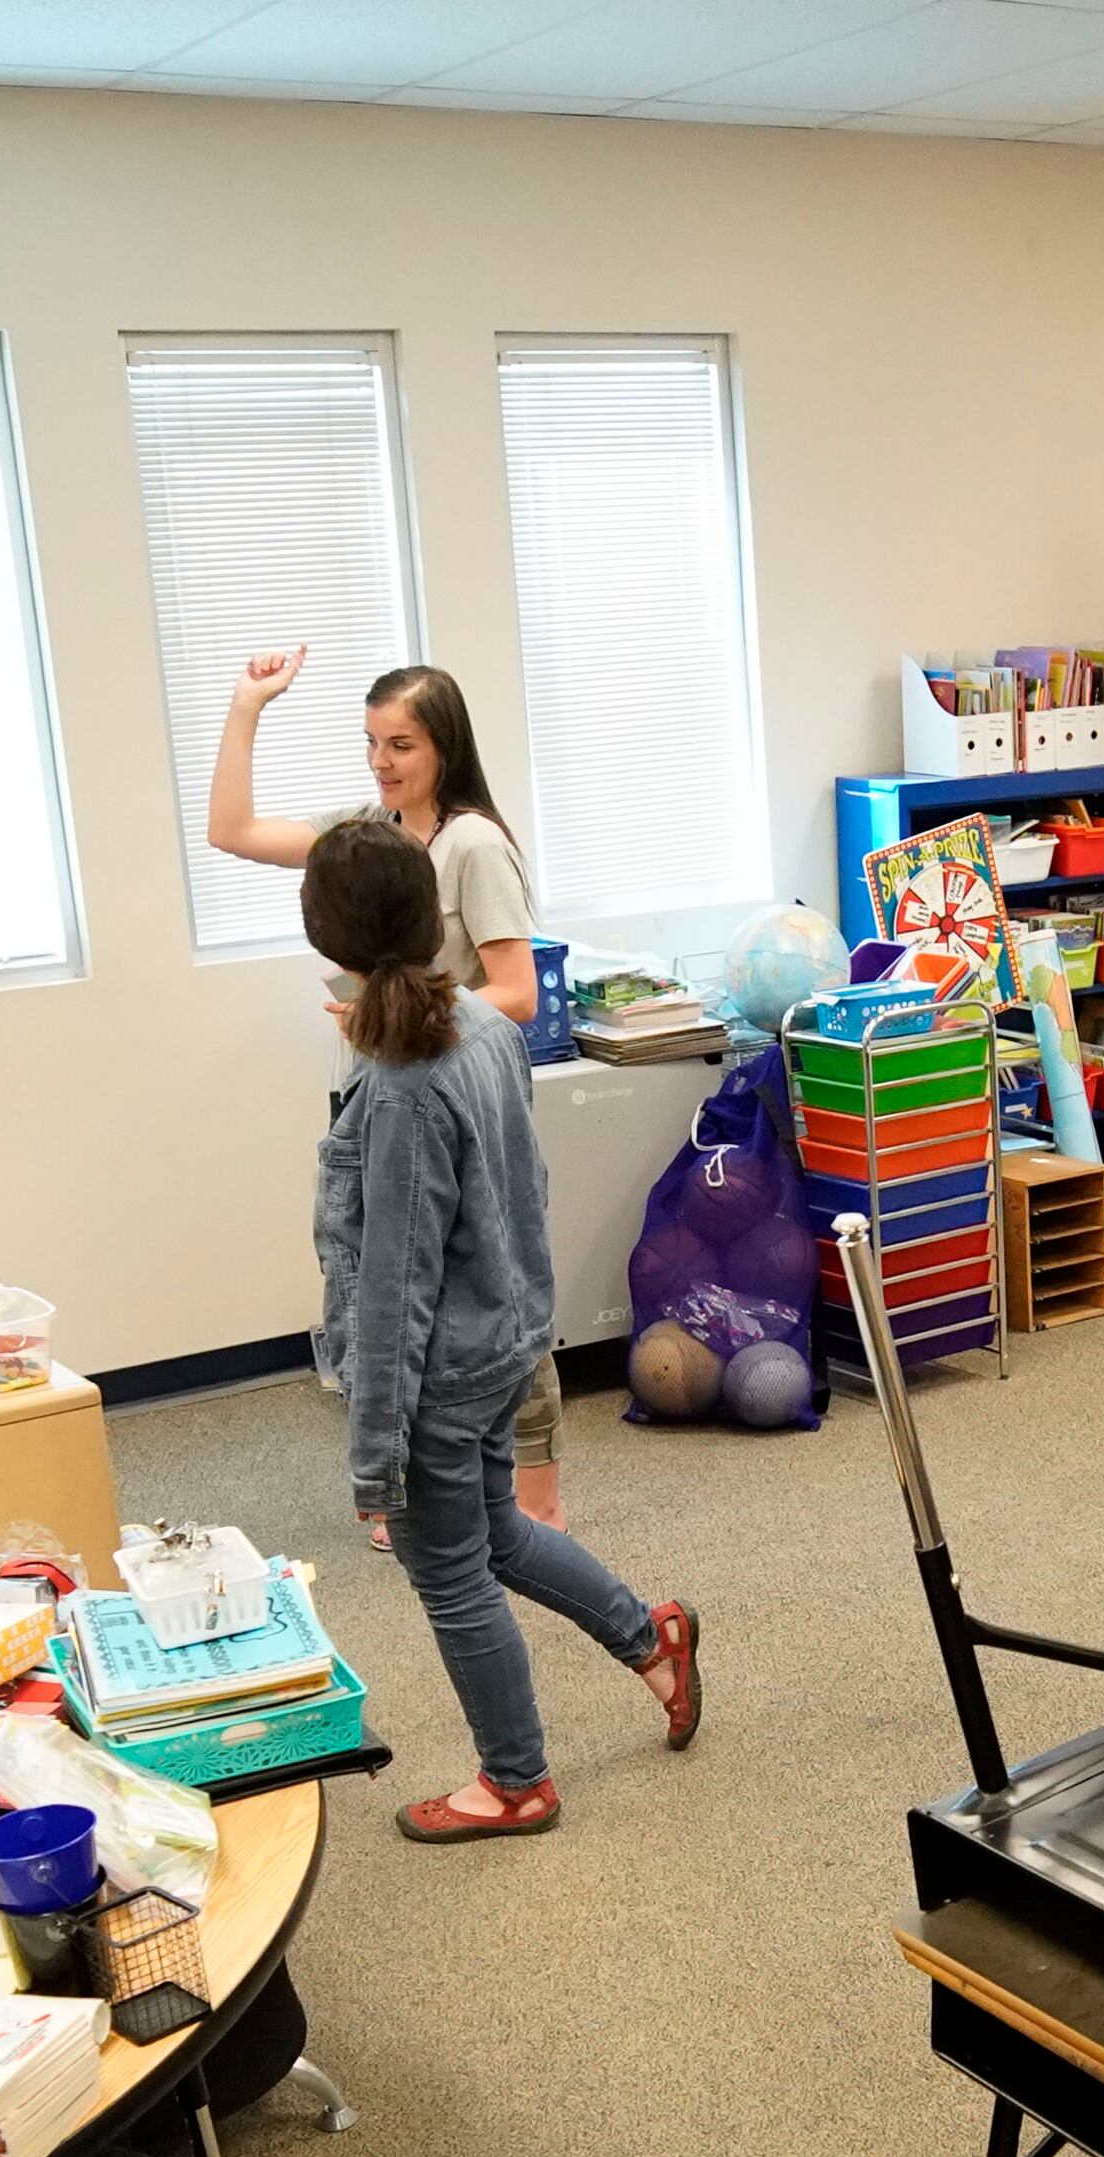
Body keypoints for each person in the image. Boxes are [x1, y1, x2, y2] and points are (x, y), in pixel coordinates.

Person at [307, 820, 698, 1843]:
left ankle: (514, 1780)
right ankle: (649, 1639)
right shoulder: (479, 1022)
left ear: (330, 944)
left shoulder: (395, 1089)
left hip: (440, 1369)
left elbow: (391, 1290)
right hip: (508, 1335)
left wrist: (370, 1460)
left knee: (448, 1570)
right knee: (495, 1532)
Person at [212, 649, 575, 1531]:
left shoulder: (474, 845)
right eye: (372, 742)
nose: (383, 761)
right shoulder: (371, 830)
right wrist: (246, 706)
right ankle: (408, 1483)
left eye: (401, 744)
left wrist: (403, 1018)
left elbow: (517, 995)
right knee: (381, 1282)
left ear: (443, 746)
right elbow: (234, 831)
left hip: (453, 1092)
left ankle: (537, 1501)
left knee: (488, 1285)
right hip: (379, 1089)